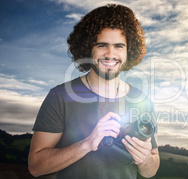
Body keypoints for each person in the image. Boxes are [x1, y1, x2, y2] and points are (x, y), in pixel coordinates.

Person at [28, 4, 159, 178]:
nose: (110, 54)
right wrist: (87, 144)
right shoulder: (60, 97)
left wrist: (144, 160)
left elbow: (151, 169)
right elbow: (36, 166)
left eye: (119, 46)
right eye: (102, 45)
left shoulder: (142, 101)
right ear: (88, 48)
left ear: (129, 51)